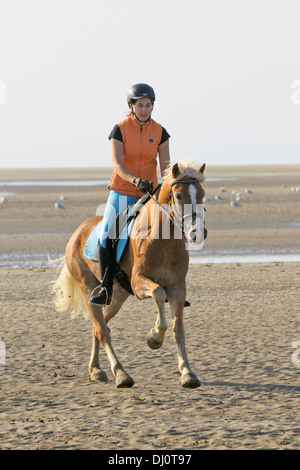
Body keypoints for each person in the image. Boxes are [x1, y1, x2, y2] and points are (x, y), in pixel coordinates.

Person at [89, 83, 171, 306]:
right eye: (140, 105)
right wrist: (135, 180)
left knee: (169, 228)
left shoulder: (160, 132)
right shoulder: (119, 129)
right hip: (123, 190)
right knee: (108, 233)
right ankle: (105, 288)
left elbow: (165, 166)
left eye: (148, 105)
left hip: (150, 193)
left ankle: (172, 283)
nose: (144, 109)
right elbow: (118, 165)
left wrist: (168, 183)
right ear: (132, 106)